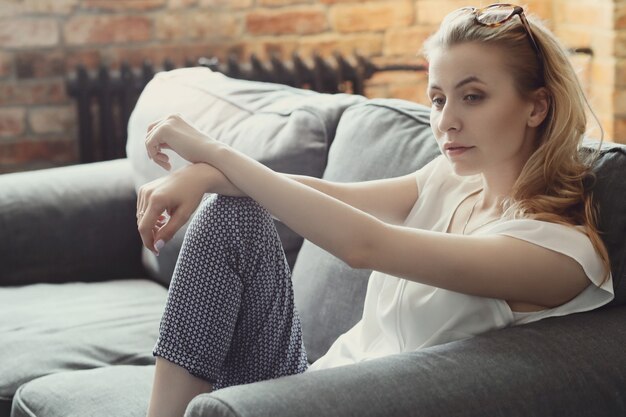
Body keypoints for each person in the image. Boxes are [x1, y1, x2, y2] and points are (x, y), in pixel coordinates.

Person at [137, 4, 614, 416]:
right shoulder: (449, 181)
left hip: (364, 404)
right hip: (307, 387)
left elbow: (364, 245)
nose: (447, 121)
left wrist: (215, 152)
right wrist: (206, 176)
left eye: (473, 96)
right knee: (233, 213)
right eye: (438, 98)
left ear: (537, 107)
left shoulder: (557, 254)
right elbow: (330, 197)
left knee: (236, 203)